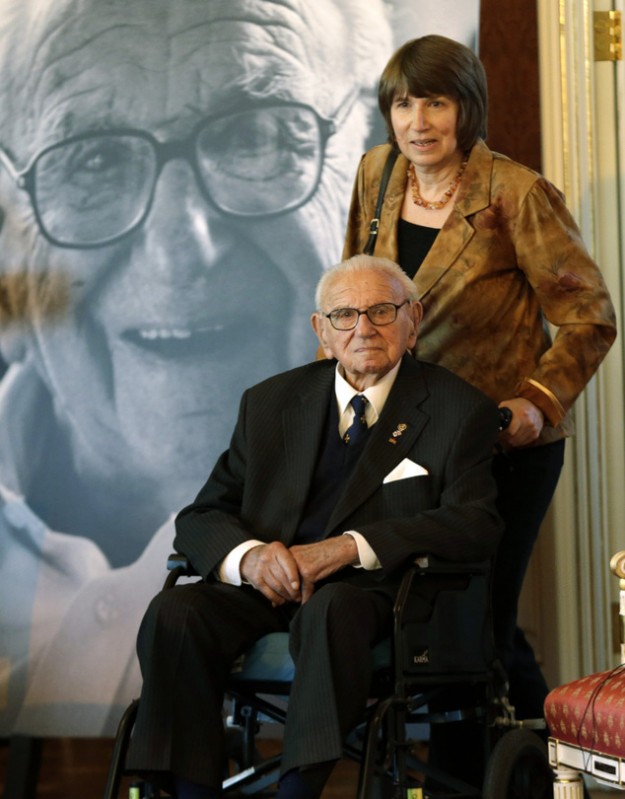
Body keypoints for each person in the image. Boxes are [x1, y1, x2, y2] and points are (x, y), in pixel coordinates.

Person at [126, 254, 503, 799]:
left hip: (379, 594)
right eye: (344, 315)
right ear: (321, 332)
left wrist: (348, 548)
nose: (363, 329)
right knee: (176, 612)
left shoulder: (459, 409)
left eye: (381, 311)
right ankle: (190, 793)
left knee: (331, 610)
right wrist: (251, 558)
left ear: (414, 319)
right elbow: (202, 516)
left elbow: (474, 522)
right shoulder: (270, 402)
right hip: (271, 587)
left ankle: (297, 792)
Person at [342, 34, 617, 728]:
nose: (418, 123)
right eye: (403, 104)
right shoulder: (377, 172)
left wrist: (536, 403)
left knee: (481, 621)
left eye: (436, 103)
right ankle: (530, 756)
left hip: (501, 444)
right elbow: (353, 291)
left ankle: (515, 764)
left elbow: (589, 316)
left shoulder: (516, 193)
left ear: (467, 107)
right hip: (401, 439)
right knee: (435, 619)